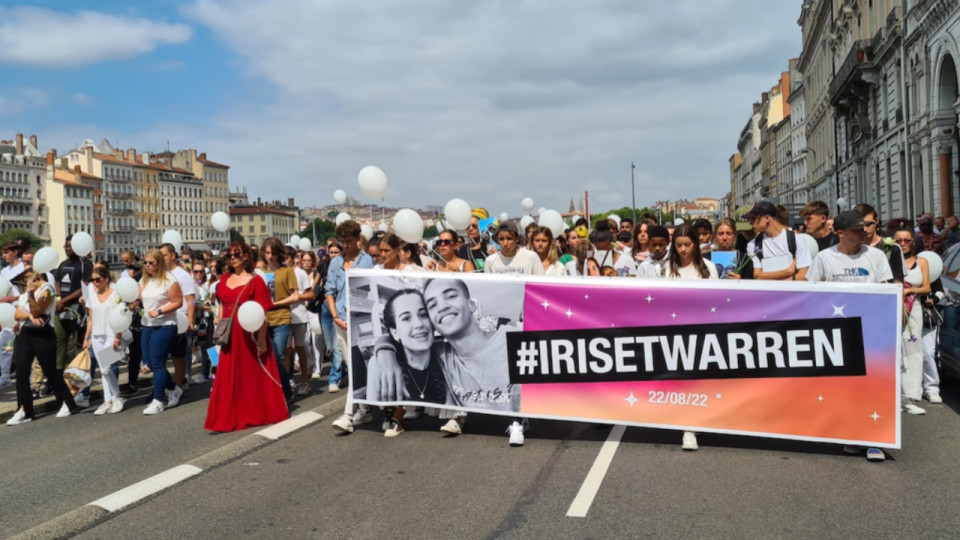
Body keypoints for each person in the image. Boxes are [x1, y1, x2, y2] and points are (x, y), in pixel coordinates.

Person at [806, 211, 896, 462]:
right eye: (858, 228)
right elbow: (808, 294)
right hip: (837, 337)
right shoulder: (824, 258)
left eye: (867, 226)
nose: (865, 231)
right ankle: (851, 436)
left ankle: (874, 440)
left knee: (872, 388)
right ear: (841, 232)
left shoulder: (876, 257)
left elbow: (890, 293)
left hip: (872, 335)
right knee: (844, 390)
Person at [205, 242, 289, 432]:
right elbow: (221, 304)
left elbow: (263, 312)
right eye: (229, 255)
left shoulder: (255, 280)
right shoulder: (224, 279)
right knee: (227, 375)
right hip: (228, 335)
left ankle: (253, 412)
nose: (232, 257)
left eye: (236, 254)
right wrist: (219, 324)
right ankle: (227, 416)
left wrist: (261, 339)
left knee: (251, 375)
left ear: (245, 257)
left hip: (249, 335)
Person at [660, 224, 717, 450]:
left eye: (687, 245)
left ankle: (693, 424)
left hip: (701, 331)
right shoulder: (665, 269)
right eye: (679, 246)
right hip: (675, 332)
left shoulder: (709, 268)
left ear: (696, 244)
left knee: (698, 381)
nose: (683, 250)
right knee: (682, 381)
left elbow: (716, 300)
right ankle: (688, 426)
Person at [6, 268, 81, 425]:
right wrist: (28, 315)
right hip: (26, 333)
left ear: (35, 275)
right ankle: (24, 410)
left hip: (44, 333)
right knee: (21, 372)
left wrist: (32, 294)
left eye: (26, 277)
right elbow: (17, 314)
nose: (24, 282)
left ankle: (68, 403)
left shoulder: (47, 289)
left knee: (51, 372)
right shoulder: (24, 293)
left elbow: (38, 309)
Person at [328, 220, 376, 430]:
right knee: (351, 363)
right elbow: (329, 291)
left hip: (361, 318)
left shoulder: (367, 262)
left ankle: (348, 414)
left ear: (358, 240)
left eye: (349, 241)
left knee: (358, 364)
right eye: (342, 242)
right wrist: (335, 316)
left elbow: (371, 290)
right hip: (340, 318)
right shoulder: (335, 263)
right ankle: (364, 409)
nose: (345, 246)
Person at [139, 249, 184, 415]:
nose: (148, 266)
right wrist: (134, 304)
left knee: (158, 363)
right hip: (147, 325)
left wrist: (159, 311)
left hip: (165, 324)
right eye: (145, 263)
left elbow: (178, 301)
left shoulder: (169, 280)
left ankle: (158, 400)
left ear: (159, 263)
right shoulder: (145, 280)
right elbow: (139, 297)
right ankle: (173, 388)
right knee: (149, 363)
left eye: (151, 263)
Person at [893, 226, 930, 415]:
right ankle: (893, 396)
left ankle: (909, 397)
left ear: (912, 242)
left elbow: (926, 288)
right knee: (892, 352)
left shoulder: (921, 262)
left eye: (906, 240)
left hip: (913, 309)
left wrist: (909, 290)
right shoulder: (889, 260)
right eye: (898, 240)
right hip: (892, 308)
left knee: (913, 350)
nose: (902, 244)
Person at [261, 237, 300, 401]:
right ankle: (274, 390)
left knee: (277, 355)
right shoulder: (260, 271)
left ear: (279, 254)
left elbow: (295, 296)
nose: (270, 256)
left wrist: (276, 303)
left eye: (273, 253)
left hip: (282, 317)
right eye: (267, 253)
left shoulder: (287, 271)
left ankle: (285, 389)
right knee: (266, 356)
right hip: (262, 319)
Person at [82, 266, 125, 415]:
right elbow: (91, 318)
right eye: (93, 280)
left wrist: (118, 336)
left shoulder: (115, 295)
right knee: (103, 371)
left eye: (98, 279)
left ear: (106, 279)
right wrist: (87, 337)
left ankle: (117, 397)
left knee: (107, 368)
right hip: (97, 335)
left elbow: (121, 317)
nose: (95, 283)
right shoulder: (92, 295)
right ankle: (108, 400)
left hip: (111, 334)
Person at [159, 242, 195, 406]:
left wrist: (190, 320)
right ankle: (168, 385)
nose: (161, 258)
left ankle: (178, 387)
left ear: (173, 256)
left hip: (179, 320)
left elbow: (190, 300)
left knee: (178, 356)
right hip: (162, 319)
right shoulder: (159, 274)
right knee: (157, 357)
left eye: (164, 255)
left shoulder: (182, 275)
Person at [54, 235, 93, 378]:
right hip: (61, 308)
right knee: (60, 341)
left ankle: (78, 373)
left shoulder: (85, 264)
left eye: (70, 247)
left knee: (78, 342)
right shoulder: (63, 264)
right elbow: (58, 282)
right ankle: (58, 373)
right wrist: (59, 299)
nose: (67, 249)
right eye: (66, 247)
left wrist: (65, 301)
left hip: (77, 309)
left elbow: (85, 286)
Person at [744, 201, 810, 280]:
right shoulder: (753, 244)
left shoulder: (796, 239)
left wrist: (779, 281)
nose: (751, 223)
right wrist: (788, 272)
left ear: (767, 218)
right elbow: (757, 275)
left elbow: (804, 275)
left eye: (754, 219)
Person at [285, 246, 314, 397]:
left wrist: (297, 297)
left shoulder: (300, 273)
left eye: (286, 258)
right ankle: (287, 380)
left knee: (300, 348)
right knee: (286, 350)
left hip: (299, 316)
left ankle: (304, 381)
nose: (284, 261)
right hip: (283, 316)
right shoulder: (279, 274)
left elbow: (310, 295)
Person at [0, 240, 25, 387]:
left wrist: (13, 299)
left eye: (6, 252)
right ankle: (5, 375)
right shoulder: (4, 272)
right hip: (7, 313)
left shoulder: (24, 268)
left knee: (24, 345)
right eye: (3, 253)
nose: (4, 256)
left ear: (15, 252)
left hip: (20, 311)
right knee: (6, 345)